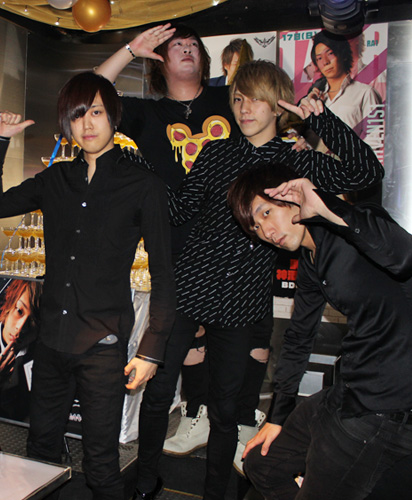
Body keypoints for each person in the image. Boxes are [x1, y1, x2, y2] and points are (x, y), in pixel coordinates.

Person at [160, 60, 384, 499]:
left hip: (245, 300)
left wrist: (322, 122)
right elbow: (180, 209)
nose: (245, 108)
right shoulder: (217, 152)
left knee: (229, 408)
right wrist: (140, 175)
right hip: (191, 287)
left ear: (278, 106)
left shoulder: (293, 159)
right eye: (238, 99)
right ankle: (148, 481)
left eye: (257, 99)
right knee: (161, 393)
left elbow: (365, 174)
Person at [0, 71, 175, 500]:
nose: (87, 124)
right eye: (77, 115)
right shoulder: (56, 179)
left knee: (101, 464)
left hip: (102, 344)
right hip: (51, 341)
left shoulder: (142, 186)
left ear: (114, 117)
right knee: (38, 454)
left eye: (97, 113)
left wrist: (151, 350)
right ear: (67, 124)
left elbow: (164, 274)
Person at [95, 23, 239, 481]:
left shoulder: (229, 101)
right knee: (163, 376)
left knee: (234, 374)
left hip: (233, 249)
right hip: (174, 252)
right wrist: (130, 50)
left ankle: (226, 449)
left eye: (194, 44)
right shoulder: (147, 113)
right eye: (177, 44)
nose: (187, 49)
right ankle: (148, 477)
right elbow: (90, 94)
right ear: (160, 61)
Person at [228, 164, 412, 500]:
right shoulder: (311, 262)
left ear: (293, 197)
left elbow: (404, 257)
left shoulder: (355, 226)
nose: (266, 230)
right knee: (261, 465)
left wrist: (327, 206)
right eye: (255, 226)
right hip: (349, 392)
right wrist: (277, 417)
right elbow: (298, 337)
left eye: (266, 212)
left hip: (385, 406)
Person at [0, 280, 41, 421]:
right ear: (9, 304)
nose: (20, 328)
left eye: (33, 321)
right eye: (19, 311)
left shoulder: (42, 355)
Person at [308, 30, 382, 136]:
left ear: (343, 55)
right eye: (319, 58)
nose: (325, 62)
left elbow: (374, 138)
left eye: (330, 53)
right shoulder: (316, 96)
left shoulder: (365, 93)